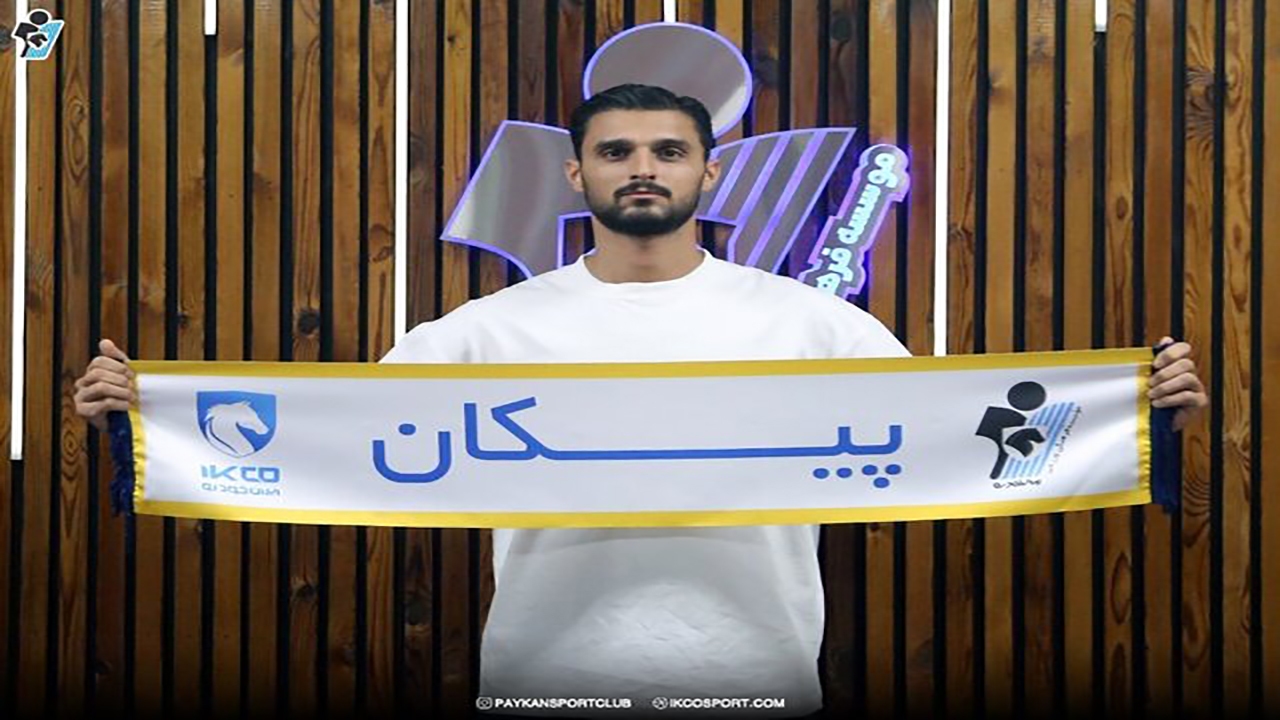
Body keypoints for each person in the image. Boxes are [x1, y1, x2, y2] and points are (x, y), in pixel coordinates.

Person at [74, 84, 1208, 717]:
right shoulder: (485, 332)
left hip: (756, 684)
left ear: (710, 173)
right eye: (615, 152)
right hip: (542, 687)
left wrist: (1133, 413)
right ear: (577, 176)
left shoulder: (810, 325)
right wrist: (144, 418)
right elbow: (331, 446)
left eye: (668, 150)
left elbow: (950, 439)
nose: (643, 169)